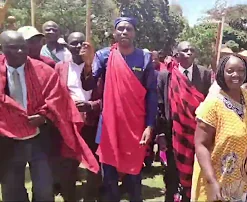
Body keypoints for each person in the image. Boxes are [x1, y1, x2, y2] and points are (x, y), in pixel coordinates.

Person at [0, 31, 98, 201]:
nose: (21, 52)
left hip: (40, 138)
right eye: (13, 48)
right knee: (11, 189)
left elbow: (57, 98)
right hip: (8, 141)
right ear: (2, 49)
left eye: (23, 47)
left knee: (44, 188)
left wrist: (44, 116)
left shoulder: (43, 70)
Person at [81, 16, 157, 202]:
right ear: (114, 32)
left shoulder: (145, 58)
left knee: (134, 179)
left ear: (134, 33)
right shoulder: (104, 55)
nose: (124, 32)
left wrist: (149, 126)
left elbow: (152, 94)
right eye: (120, 28)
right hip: (109, 126)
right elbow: (88, 83)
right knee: (109, 180)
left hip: (135, 127)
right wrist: (88, 63)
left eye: (128, 29)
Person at [192, 54, 247, 201]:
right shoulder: (212, 105)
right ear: (221, 73)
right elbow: (201, 145)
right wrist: (212, 181)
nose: (235, 75)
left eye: (240, 71)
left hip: (246, 183)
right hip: (218, 181)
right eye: (230, 70)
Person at [157, 41, 212, 201]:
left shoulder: (204, 74)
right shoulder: (165, 76)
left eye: (192, 50)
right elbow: (160, 105)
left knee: (195, 174)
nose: (189, 53)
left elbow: (209, 103)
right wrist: (160, 134)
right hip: (173, 134)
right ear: (176, 55)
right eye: (185, 50)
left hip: (198, 134)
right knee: (172, 176)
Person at [54, 32, 102, 201]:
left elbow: (107, 97)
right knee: (68, 165)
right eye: (74, 43)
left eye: (83, 42)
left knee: (94, 165)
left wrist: (91, 106)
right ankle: (69, 197)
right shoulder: (60, 67)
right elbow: (56, 94)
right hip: (69, 124)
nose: (79, 46)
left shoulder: (99, 67)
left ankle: (91, 197)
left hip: (92, 123)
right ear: (67, 46)